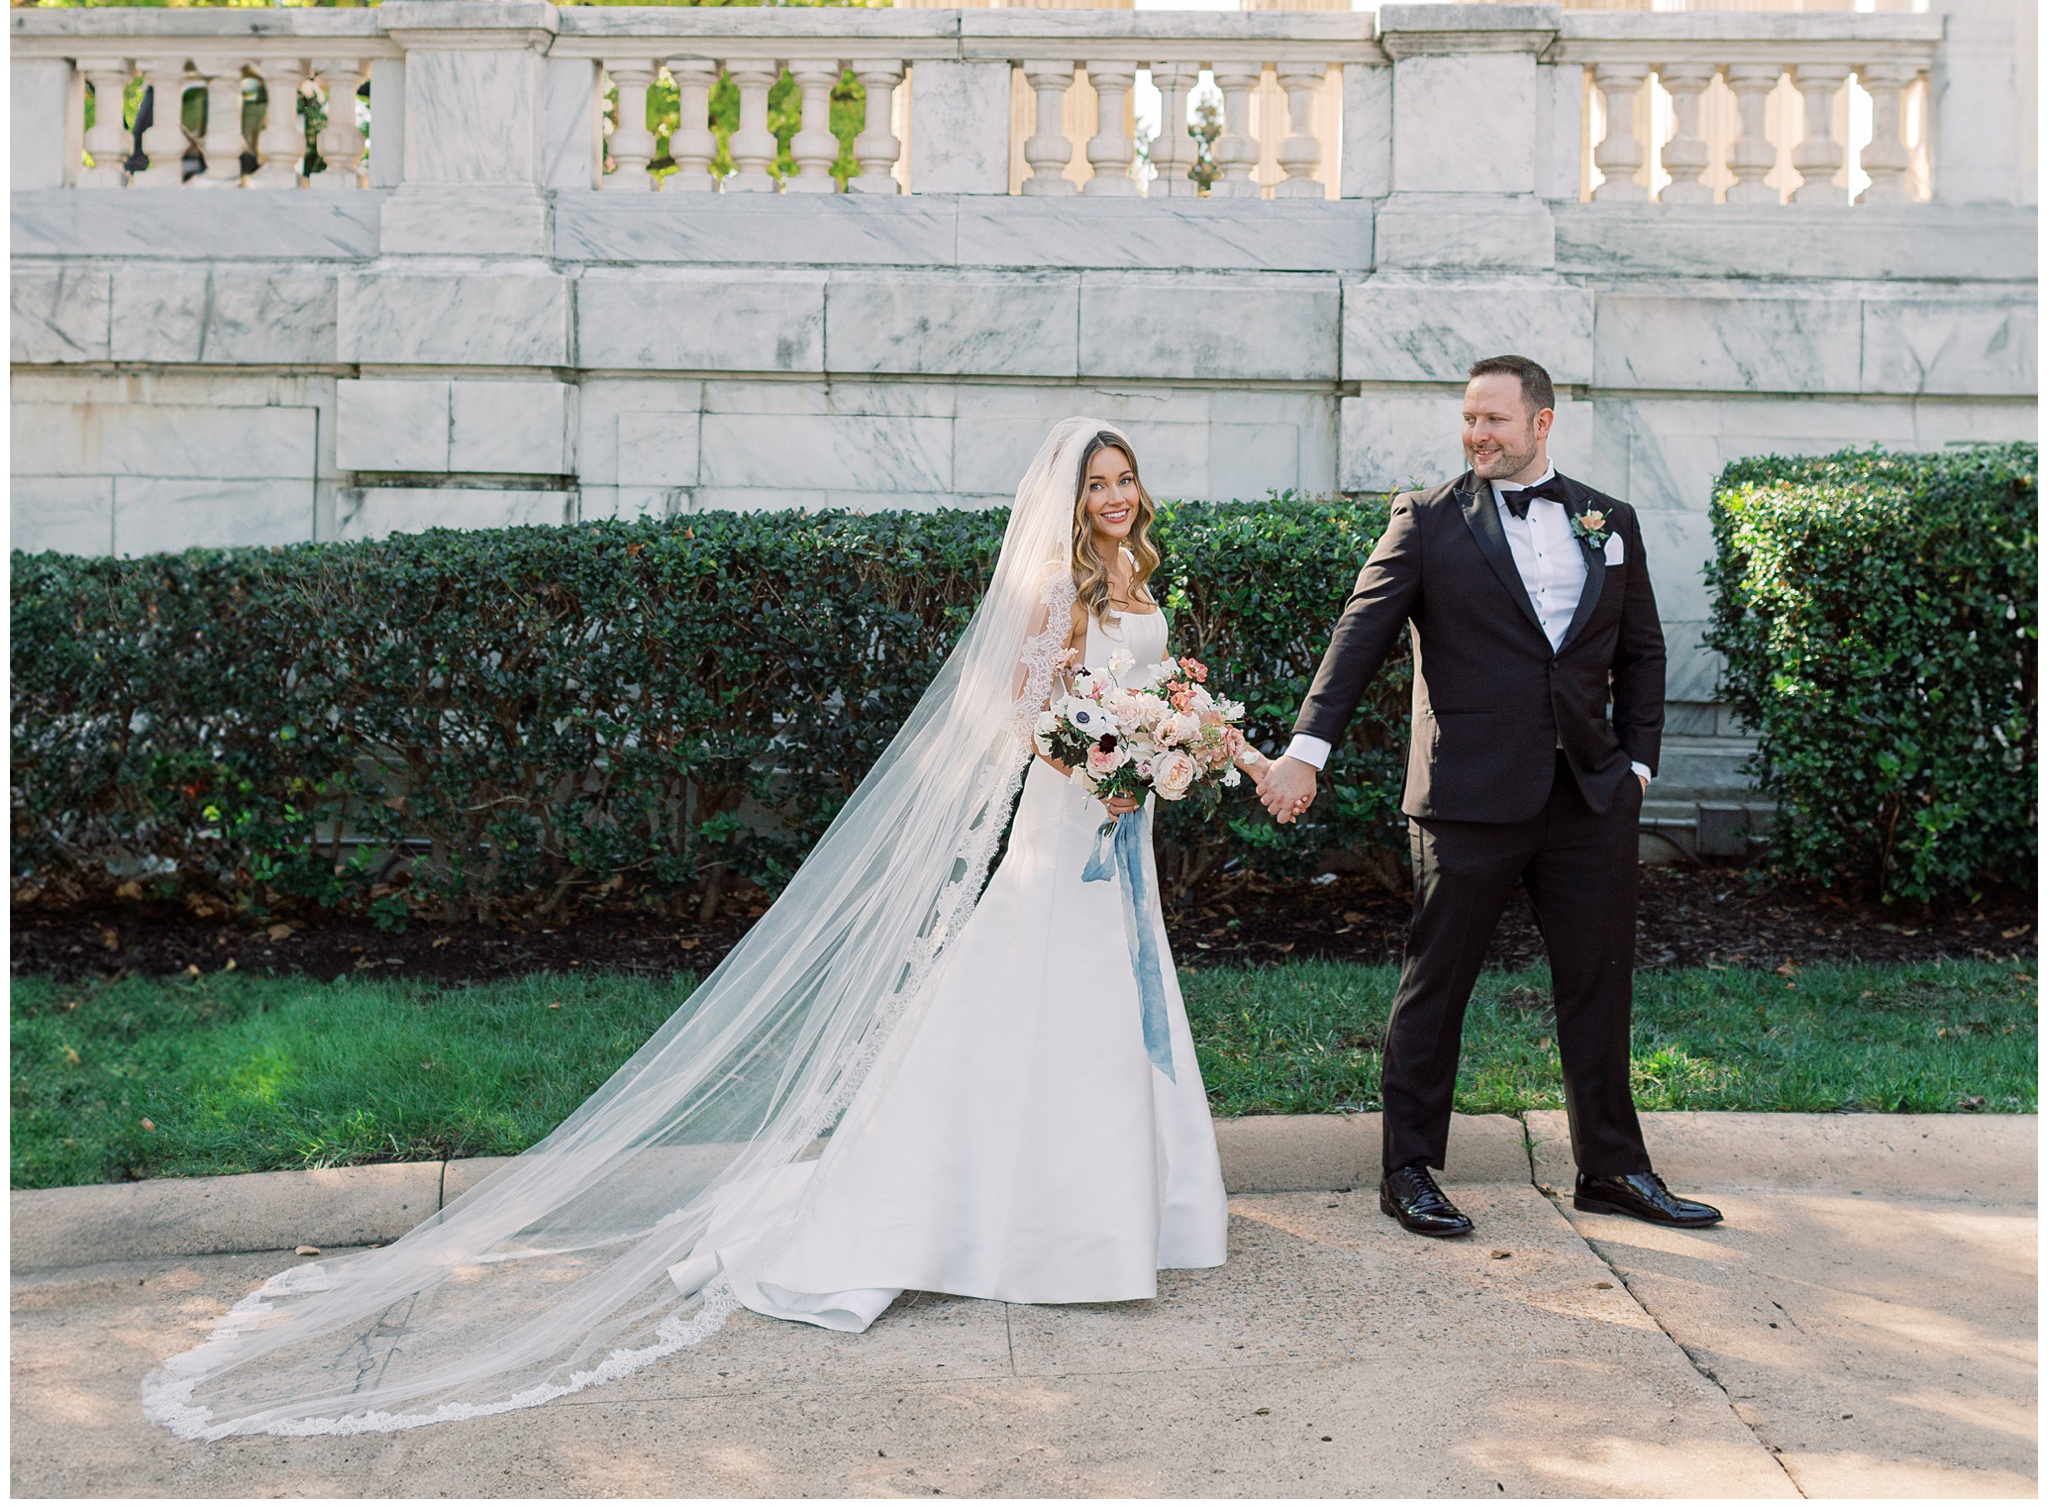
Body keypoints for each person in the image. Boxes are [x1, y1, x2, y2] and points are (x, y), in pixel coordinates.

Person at [146, 416, 1255, 1440]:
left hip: (1121, 833)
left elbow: (1150, 694)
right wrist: (1097, 757)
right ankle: (985, 1211)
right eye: (1096, 483)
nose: (1115, 496)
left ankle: (1116, 1214)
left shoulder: (1135, 575)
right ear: (1068, 499)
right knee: (1033, 993)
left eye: (1123, 480)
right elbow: (1022, 712)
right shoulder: (1055, 589)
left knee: (1112, 999)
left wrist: (1174, 745)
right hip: (1067, 826)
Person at [1257, 354, 1722, 1242]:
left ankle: (1614, 1167)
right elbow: (1362, 632)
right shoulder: (1428, 520)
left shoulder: (1607, 519)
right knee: (1438, 983)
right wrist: (1306, 751)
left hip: (1587, 793)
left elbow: (1644, 650)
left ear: (1541, 423)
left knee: (1599, 983)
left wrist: (1638, 766)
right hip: (1468, 792)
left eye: (1494, 421)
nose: (1477, 435)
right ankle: (1409, 1169)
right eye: (1469, 419)